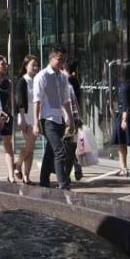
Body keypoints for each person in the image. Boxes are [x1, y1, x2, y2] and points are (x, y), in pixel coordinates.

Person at [33, 46, 74, 190]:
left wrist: (70, 119)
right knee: (59, 152)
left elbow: (66, 100)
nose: (61, 62)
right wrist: (36, 123)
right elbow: (36, 100)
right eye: (59, 59)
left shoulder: (63, 77)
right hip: (47, 119)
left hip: (59, 119)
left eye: (63, 60)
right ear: (51, 58)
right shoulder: (42, 76)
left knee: (51, 151)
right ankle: (63, 184)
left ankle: (44, 181)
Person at [14, 54, 40, 184]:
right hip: (25, 114)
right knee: (29, 144)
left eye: (36, 65)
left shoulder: (37, 80)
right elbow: (21, 101)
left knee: (31, 147)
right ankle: (17, 164)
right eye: (32, 65)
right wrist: (22, 118)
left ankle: (26, 176)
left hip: (34, 115)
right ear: (25, 66)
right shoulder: (22, 81)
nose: (35, 67)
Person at [0, 55, 17, 183]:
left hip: (6, 117)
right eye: (2, 64)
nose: (5, 66)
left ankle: (11, 175)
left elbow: (12, 101)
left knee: (8, 145)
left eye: (6, 64)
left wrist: (12, 115)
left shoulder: (9, 83)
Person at [66, 59, 84, 181]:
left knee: (68, 144)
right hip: (75, 115)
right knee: (72, 143)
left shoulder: (67, 81)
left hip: (68, 117)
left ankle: (72, 167)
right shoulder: (75, 81)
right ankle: (76, 166)